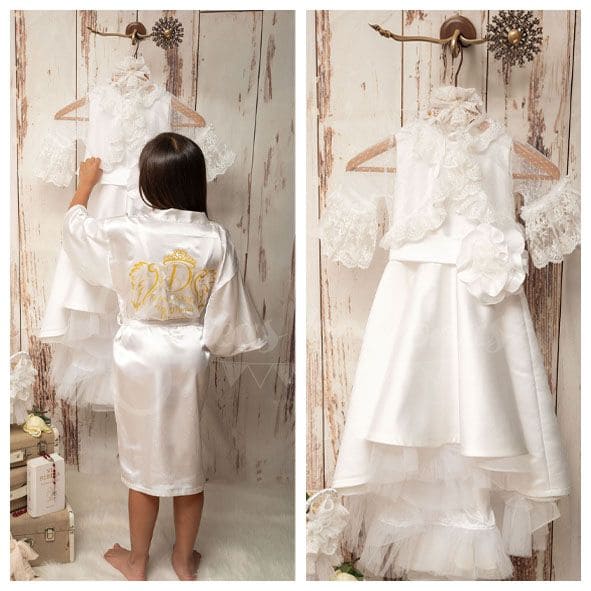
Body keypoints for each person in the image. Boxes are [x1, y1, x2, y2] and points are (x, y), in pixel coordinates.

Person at [62, 132, 268, 580]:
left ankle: (137, 561)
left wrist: (85, 184)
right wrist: (208, 340)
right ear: (195, 180)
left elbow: (77, 230)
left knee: (143, 459)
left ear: (147, 181)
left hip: (138, 354)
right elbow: (225, 315)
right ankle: (182, 559)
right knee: (187, 458)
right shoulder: (215, 238)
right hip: (188, 355)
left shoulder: (126, 229)